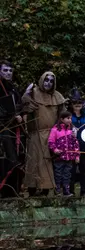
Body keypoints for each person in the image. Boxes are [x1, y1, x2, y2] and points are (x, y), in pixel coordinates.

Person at [22, 71, 66, 196]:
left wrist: (60, 132)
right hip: (35, 134)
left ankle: (46, 189)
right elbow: (24, 106)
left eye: (51, 81)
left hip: (51, 135)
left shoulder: (57, 96)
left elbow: (62, 116)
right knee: (34, 162)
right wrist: (27, 96)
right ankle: (31, 188)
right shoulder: (33, 93)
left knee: (47, 162)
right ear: (42, 80)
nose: (48, 83)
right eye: (46, 80)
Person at [0, 60, 24, 198]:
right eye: (5, 70)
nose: (8, 73)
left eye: (10, 71)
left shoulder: (13, 89)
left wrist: (18, 115)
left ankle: (11, 191)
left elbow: (18, 106)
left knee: (14, 159)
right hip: (3, 128)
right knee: (6, 159)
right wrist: (11, 116)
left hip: (13, 129)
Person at [48, 111, 79, 196]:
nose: (70, 120)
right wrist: (55, 150)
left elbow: (75, 144)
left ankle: (66, 190)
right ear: (62, 119)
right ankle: (57, 190)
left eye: (71, 118)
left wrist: (77, 156)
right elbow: (51, 142)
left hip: (69, 158)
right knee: (58, 173)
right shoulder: (55, 130)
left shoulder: (72, 130)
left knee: (67, 174)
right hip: (59, 157)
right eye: (68, 118)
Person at [69, 90, 85, 196]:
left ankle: (84, 191)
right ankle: (70, 191)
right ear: (72, 104)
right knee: (71, 169)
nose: (77, 105)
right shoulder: (68, 116)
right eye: (75, 103)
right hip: (71, 147)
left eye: (79, 103)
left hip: (84, 145)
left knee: (84, 169)